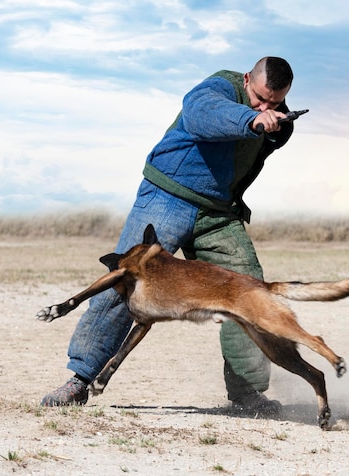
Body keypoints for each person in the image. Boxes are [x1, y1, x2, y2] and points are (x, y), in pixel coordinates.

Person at [41, 56, 296, 415]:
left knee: (249, 291)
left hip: (218, 212)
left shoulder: (268, 113)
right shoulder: (219, 87)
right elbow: (202, 114)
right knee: (124, 282)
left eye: (276, 102)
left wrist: (277, 126)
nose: (267, 107)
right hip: (168, 195)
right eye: (260, 98)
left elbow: (260, 142)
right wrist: (250, 118)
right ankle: (79, 379)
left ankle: (247, 393)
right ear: (246, 80)